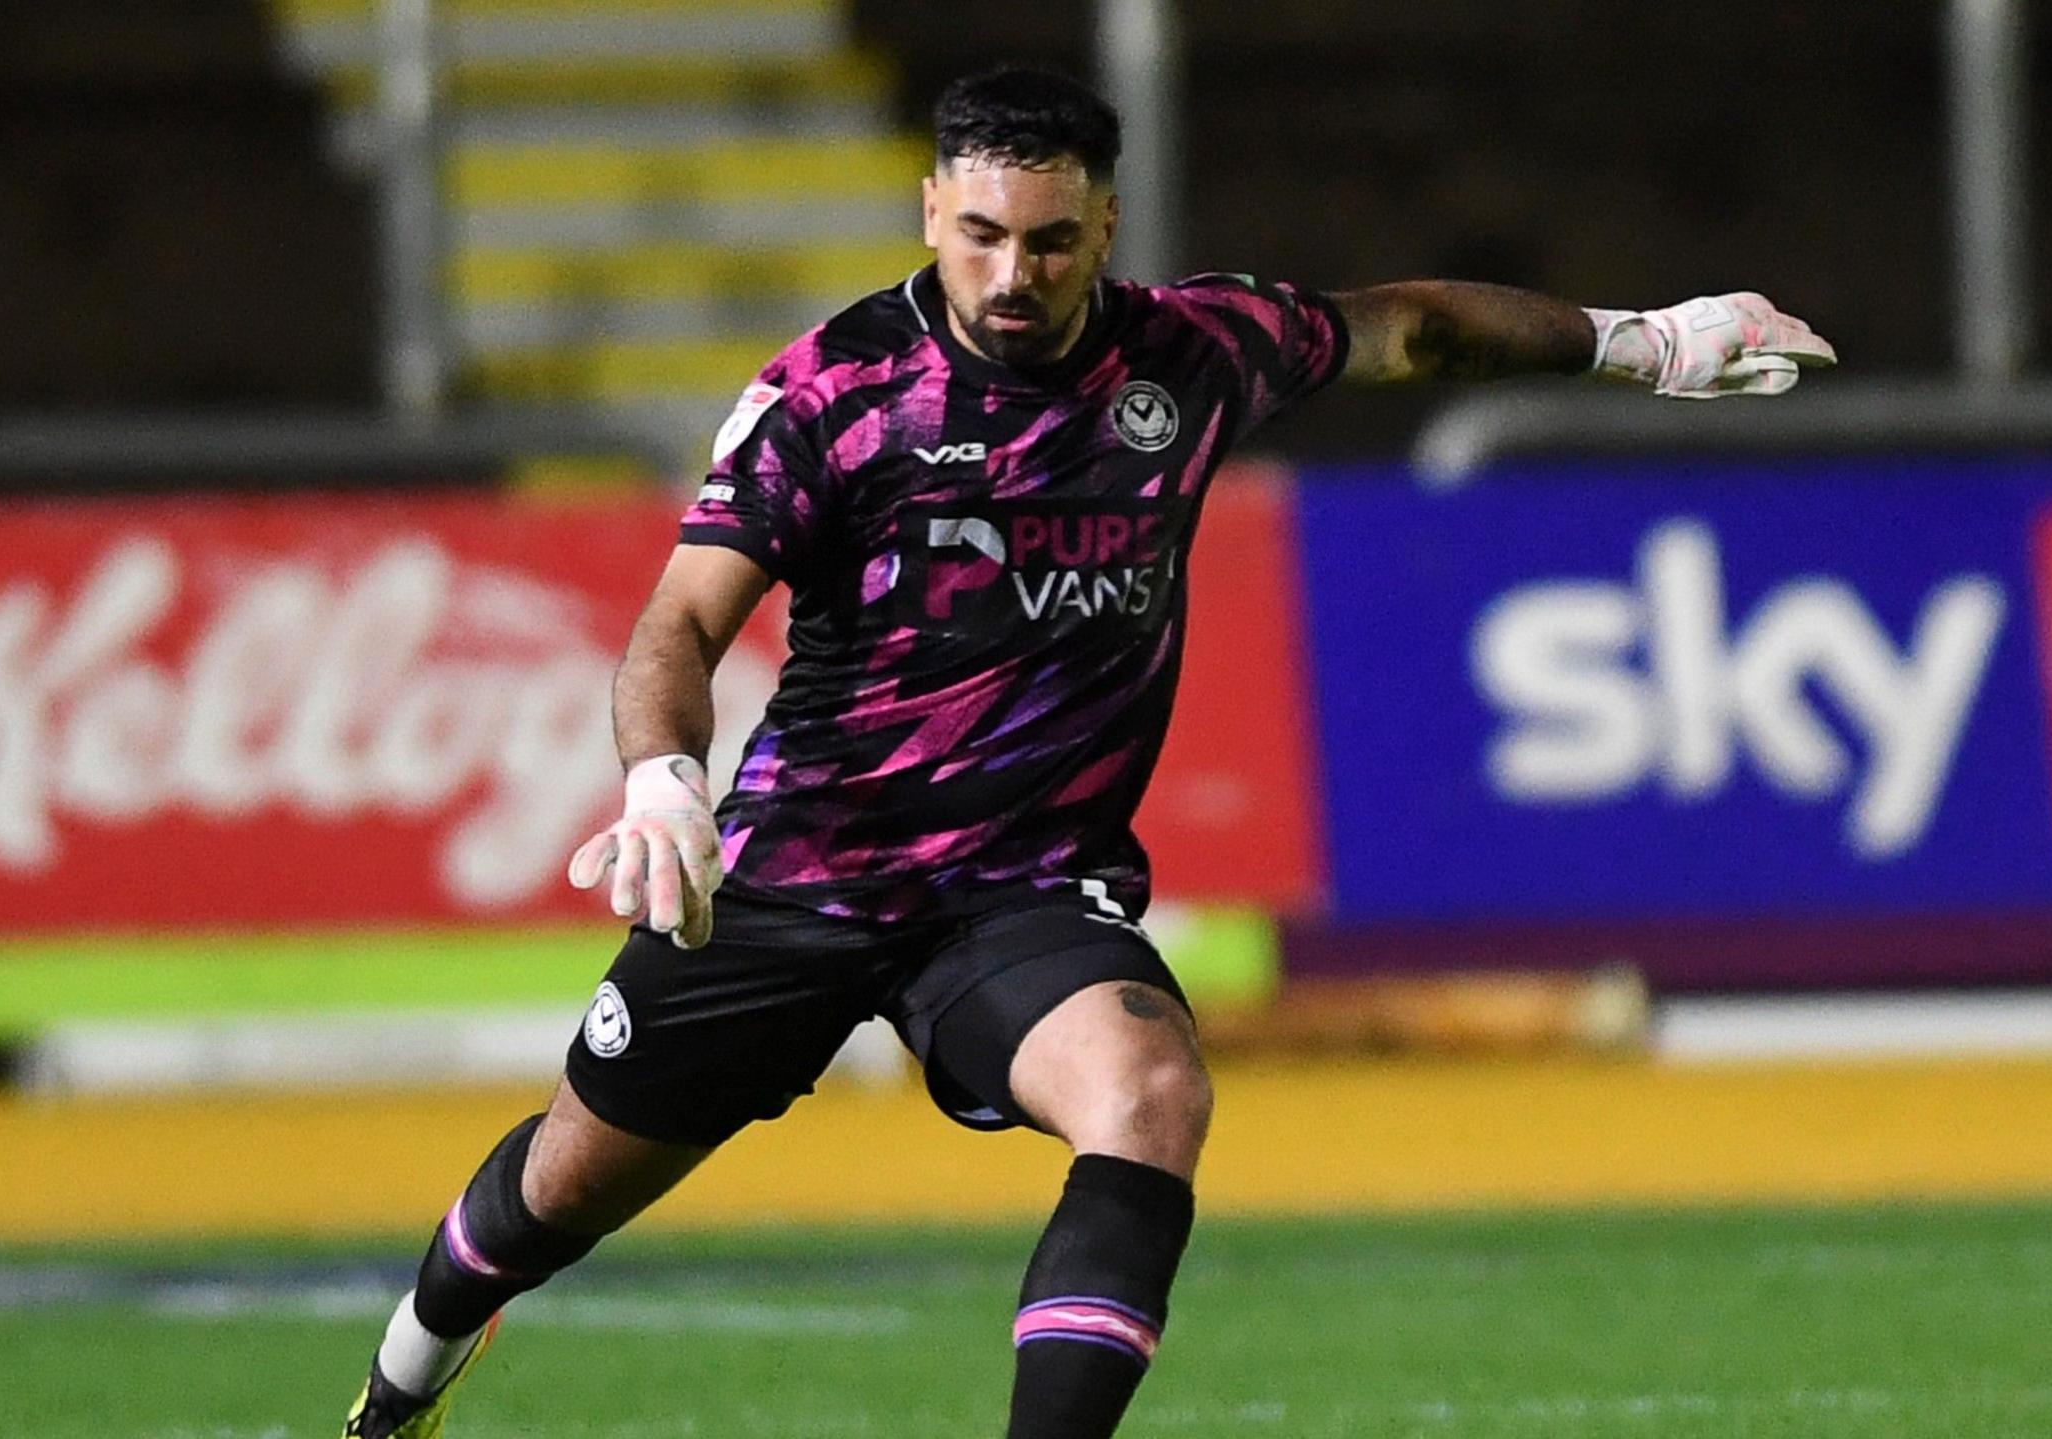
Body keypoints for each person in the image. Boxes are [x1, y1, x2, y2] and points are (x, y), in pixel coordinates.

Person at [342, 64, 1833, 1439]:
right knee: (557, 1194)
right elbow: (677, 623)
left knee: (1150, 1093)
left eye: (1050, 243)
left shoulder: (1192, 351)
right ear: (932, 210)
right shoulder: (835, 392)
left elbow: (1409, 327)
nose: (1011, 276)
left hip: (1021, 895)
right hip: (797, 877)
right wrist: (664, 776)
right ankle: (399, 1386)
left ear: (1104, 225)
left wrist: (1643, 344)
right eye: (979, 233)